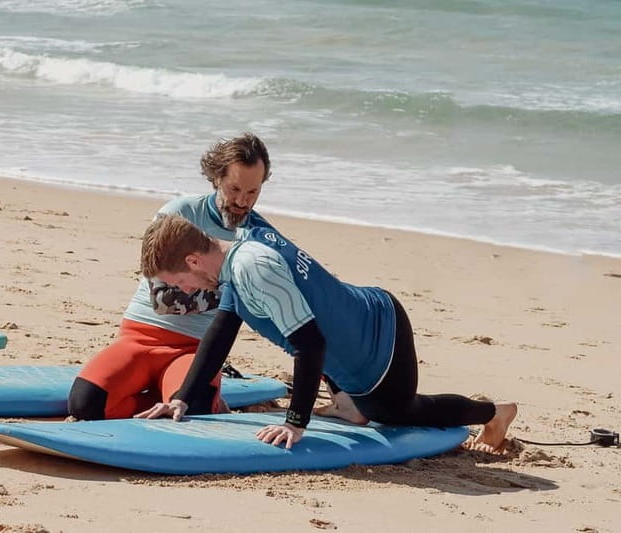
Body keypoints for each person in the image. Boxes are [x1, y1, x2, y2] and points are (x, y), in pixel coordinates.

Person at [135, 215, 518, 455]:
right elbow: (221, 333)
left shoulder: (253, 269)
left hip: (379, 339)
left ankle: (494, 413)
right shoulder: (236, 258)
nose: (184, 290)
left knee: (396, 412)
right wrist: (183, 398)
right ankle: (348, 404)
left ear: (193, 260)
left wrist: (295, 422)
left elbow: (310, 344)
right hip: (350, 326)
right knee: (349, 387)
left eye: (179, 281)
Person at [67, 133, 276, 420]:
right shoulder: (179, 214)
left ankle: (182, 397)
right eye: (234, 188)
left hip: (194, 349)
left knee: (194, 411)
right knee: (84, 405)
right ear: (217, 178)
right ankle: (163, 398)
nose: (242, 201)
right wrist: (231, 293)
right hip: (140, 336)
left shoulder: (262, 238)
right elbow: (163, 299)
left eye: (253, 192)